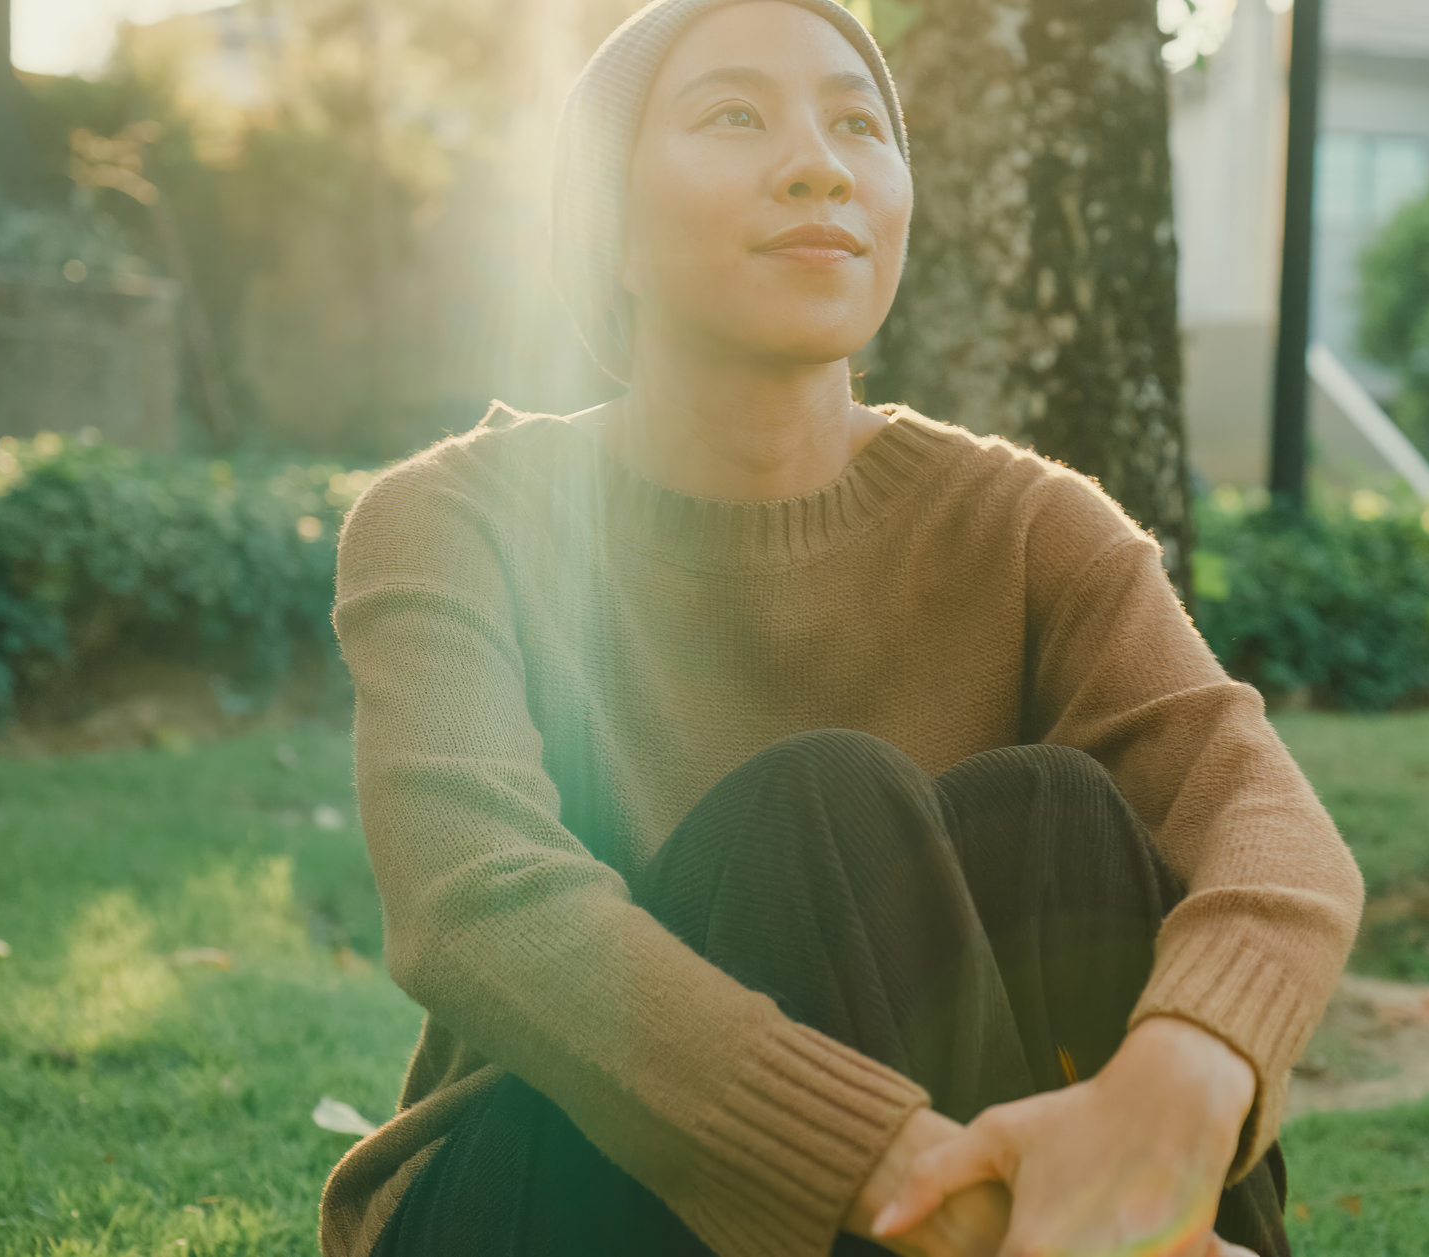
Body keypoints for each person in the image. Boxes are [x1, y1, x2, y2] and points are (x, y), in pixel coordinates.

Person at [318, 0, 1364, 1253]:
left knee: (1061, 816)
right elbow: (474, 901)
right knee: (817, 807)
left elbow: (1266, 826)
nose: (819, 162)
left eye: (859, 123)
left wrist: (1181, 1078)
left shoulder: (1029, 524)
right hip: (540, 1190)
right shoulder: (452, 519)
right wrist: (920, 1181)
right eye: (734, 115)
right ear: (605, 223)